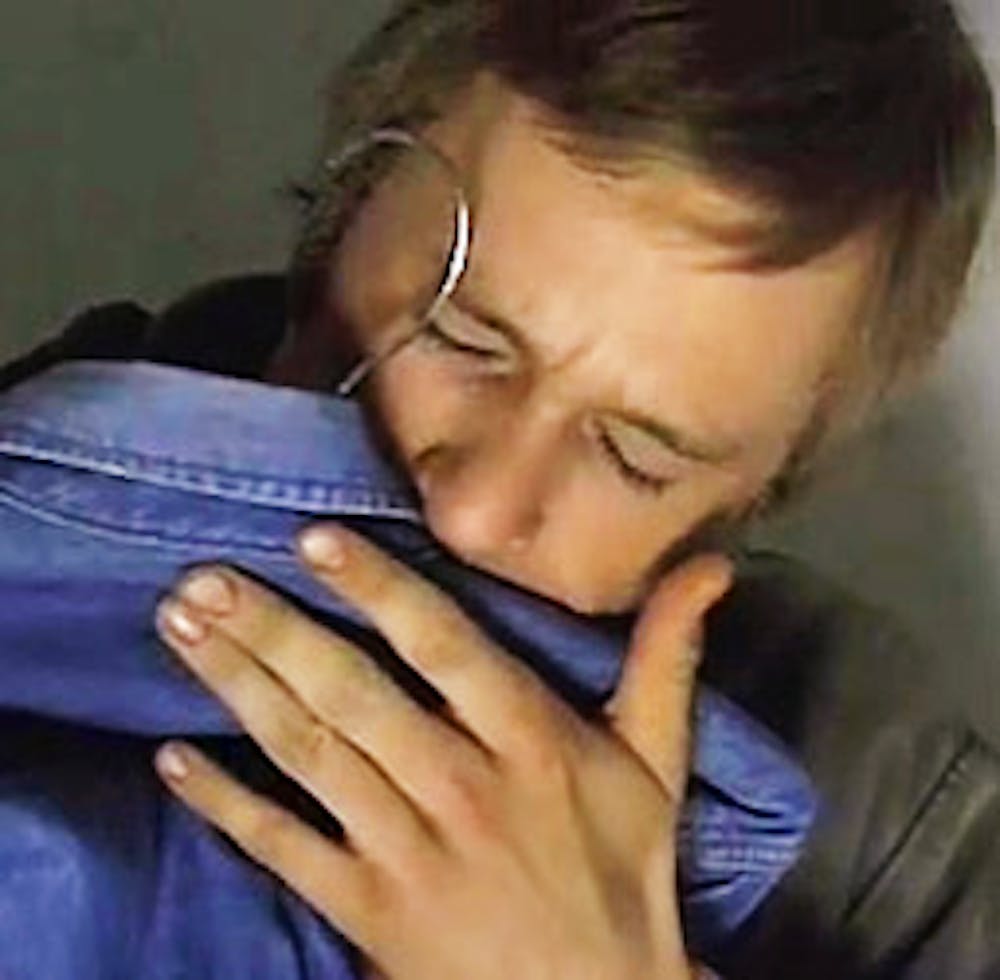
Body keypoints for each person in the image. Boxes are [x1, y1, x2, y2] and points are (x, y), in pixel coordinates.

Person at [1, 0, 997, 976]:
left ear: (747, 505)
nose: (473, 512)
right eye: (459, 338)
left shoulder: (888, 834)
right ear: (342, 217)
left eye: (633, 459)